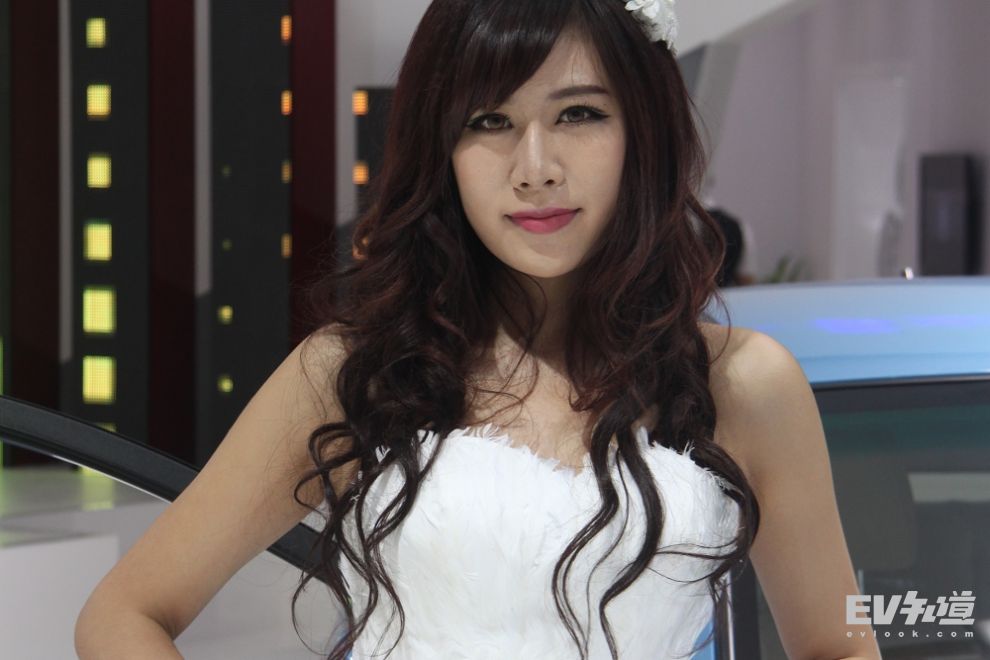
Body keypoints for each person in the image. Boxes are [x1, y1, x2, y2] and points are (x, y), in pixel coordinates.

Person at [75, 1, 881, 659]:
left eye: (578, 113)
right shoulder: (357, 373)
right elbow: (123, 613)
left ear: (644, 131)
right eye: (490, 121)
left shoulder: (744, 384)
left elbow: (839, 645)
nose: (535, 167)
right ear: (443, 149)